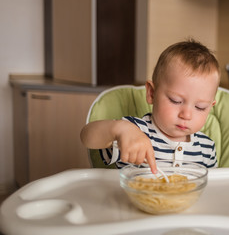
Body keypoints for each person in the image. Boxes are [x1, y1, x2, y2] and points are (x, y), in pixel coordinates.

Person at [80, 39, 221, 174]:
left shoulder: (206, 148)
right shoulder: (135, 131)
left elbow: (212, 187)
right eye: (175, 100)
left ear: (210, 106)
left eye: (200, 107)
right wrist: (120, 129)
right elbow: (86, 137)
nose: (186, 115)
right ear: (151, 93)